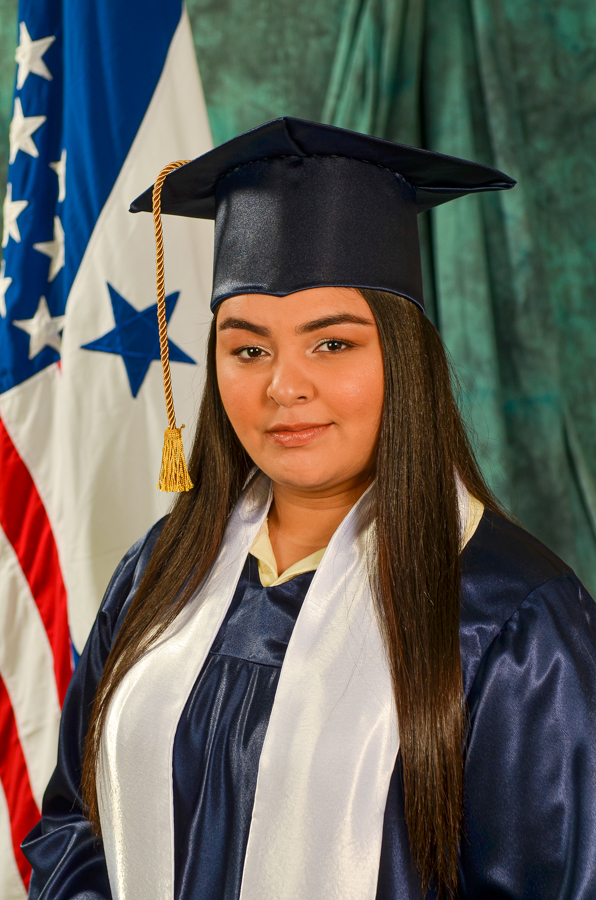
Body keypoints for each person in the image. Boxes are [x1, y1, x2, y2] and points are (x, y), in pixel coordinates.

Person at [23, 118, 596, 900]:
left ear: (404, 356)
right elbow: (73, 825)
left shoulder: (513, 618)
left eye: (333, 344)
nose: (284, 387)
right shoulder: (162, 572)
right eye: (248, 348)